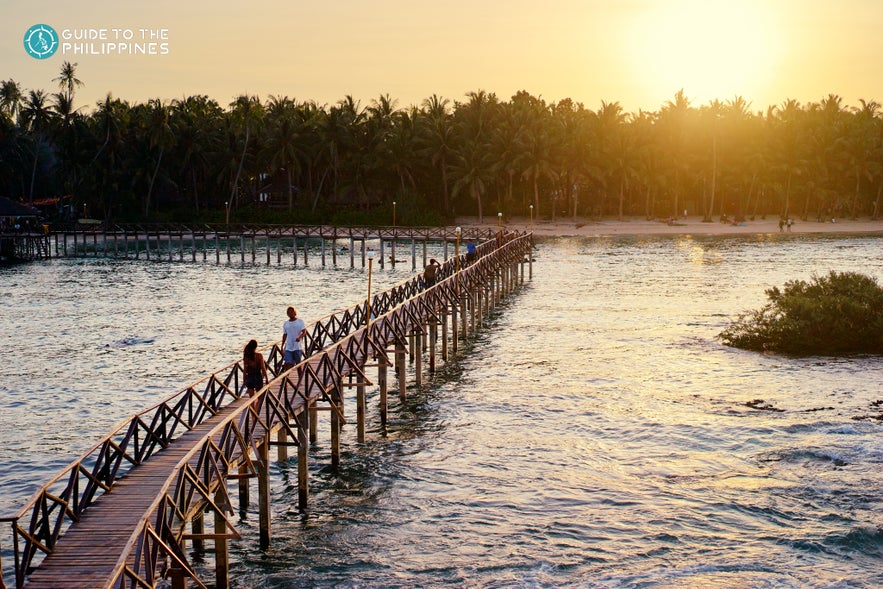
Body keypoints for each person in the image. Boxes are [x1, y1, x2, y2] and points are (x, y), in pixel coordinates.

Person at [281, 306, 306, 371]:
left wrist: (299, 337)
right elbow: (285, 334)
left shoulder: (300, 321)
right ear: (287, 314)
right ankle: (286, 380)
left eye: (292, 312)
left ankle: (300, 379)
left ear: (295, 313)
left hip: (297, 347)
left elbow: (304, 332)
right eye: (289, 312)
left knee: (298, 365)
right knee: (287, 363)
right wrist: (282, 346)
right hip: (288, 347)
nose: (290, 313)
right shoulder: (286, 323)